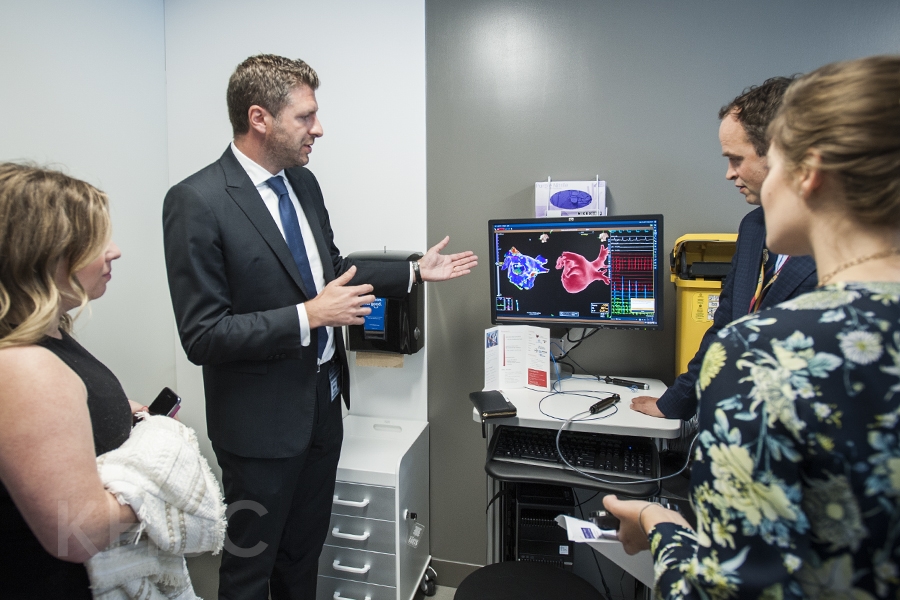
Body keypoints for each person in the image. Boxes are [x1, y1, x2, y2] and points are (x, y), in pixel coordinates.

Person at [162, 54, 477, 599]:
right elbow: (204, 335)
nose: (319, 128)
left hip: (323, 408)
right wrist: (309, 316)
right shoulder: (197, 201)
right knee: (249, 570)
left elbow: (330, 270)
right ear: (260, 118)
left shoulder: (302, 184)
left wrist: (412, 271)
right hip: (259, 428)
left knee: (303, 555)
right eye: (305, 116)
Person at [605, 55, 900, 598]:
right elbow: (725, 320)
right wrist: (677, 400)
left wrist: (657, 521)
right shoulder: (753, 235)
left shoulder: (759, 353)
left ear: (807, 171)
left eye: (751, 160)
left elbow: (724, 589)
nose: (732, 175)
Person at [632, 77, 817, 420]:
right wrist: (675, 402)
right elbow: (724, 328)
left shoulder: (845, 247)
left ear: (783, 153)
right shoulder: (754, 227)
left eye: (736, 159)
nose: (729, 174)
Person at [0, 163, 139, 597]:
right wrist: (161, 485)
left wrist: (110, 412)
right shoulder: (25, 366)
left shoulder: (47, 335)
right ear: (46, 255)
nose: (115, 251)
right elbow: (78, 533)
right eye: (98, 241)